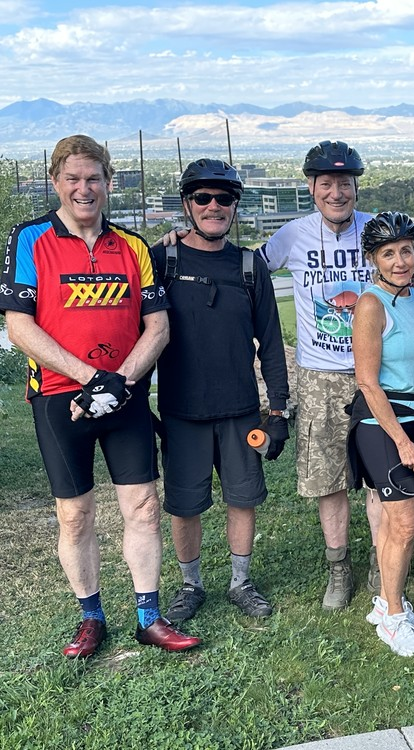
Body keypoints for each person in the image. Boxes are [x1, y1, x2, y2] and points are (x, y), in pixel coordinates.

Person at [0, 134, 199, 656]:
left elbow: (158, 327)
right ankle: (91, 617)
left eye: (93, 178)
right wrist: (91, 378)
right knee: (75, 515)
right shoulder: (30, 238)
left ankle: (149, 618)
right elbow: (19, 326)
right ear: (55, 182)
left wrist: (119, 382)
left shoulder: (132, 246)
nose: (83, 189)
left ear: (109, 182)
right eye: (73, 179)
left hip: (124, 397)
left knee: (144, 508)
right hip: (58, 398)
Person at [152, 159, 290, 623]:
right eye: (203, 198)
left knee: (242, 497)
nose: (214, 206)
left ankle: (240, 582)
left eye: (224, 198)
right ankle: (190, 585)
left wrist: (278, 410)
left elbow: (271, 342)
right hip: (181, 410)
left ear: (235, 206)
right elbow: (135, 328)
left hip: (240, 409)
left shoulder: (250, 266)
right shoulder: (163, 262)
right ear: (187, 204)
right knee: (184, 504)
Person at [258, 140, 382, 610]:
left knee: (379, 477)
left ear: (356, 187)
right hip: (318, 376)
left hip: (375, 372)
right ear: (311, 188)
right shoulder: (293, 234)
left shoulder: (376, 229)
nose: (336, 193)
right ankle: (338, 568)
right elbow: (245, 267)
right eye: (326, 183)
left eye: (344, 183)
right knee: (327, 479)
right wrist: (181, 242)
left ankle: (381, 562)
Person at [348, 211, 414, 656]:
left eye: (406, 251)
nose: (400, 261)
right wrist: (401, 440)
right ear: (373, 259)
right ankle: (393, 619)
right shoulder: (371, 304)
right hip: (383, 422)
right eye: (388, 254)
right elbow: (367, 381)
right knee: (403, 524)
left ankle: (386, 602)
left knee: (389, 521)